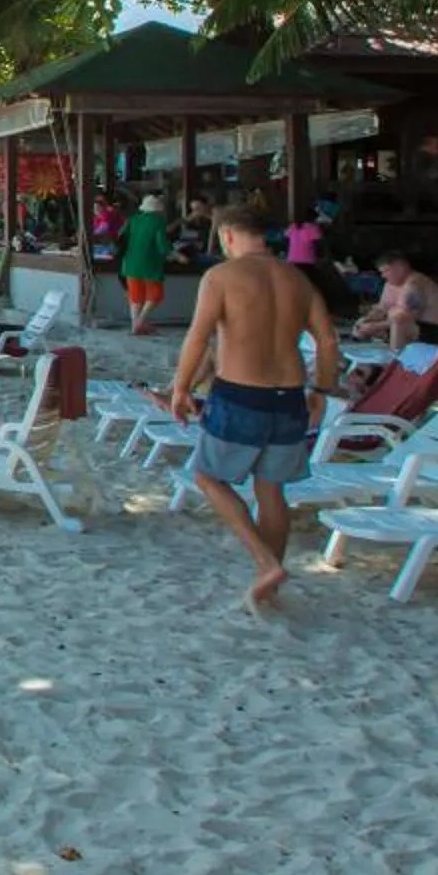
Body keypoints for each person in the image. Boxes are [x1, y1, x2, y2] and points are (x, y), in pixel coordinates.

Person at [166, 202, 341, 610]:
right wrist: (322, 389)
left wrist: (181, 387)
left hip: (241, 393)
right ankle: (270, 586)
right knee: (271, 489)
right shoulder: (297, 278)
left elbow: (198, 337)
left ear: (227, 235)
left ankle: (266, 563)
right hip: (290, 395)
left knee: (208, 477)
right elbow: (328, 340)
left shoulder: (221, 276)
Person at [353, 252, 438, 350]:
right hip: (410, 326)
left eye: (387, 271)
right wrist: (368, 320)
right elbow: (382, 308)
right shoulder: (390, 284)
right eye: (382, 272)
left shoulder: (414, 283)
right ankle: (363, 357)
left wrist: (376, 326)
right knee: (363, 322)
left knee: (399, 323)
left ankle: (396, 358)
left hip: (436, 331)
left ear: (401, 267)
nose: (383, 275)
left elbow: (408, 316)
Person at [117, 193, 173, 336]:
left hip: (130, 262)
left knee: (135, 296)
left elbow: (121, 236)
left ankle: (134, 325)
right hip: (150, 264)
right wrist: (175, 253)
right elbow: (162, 246)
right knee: (155, 295)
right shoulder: (158, 222)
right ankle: (140, 322)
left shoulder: (133, 219)